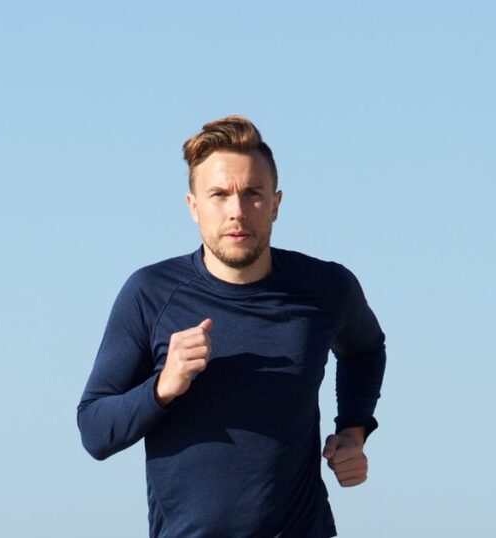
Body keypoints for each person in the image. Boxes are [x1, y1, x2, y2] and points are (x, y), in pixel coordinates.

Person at [77, 115, 386, 537]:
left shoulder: (325, 288)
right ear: (193, 206)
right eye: (219, 195)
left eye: (253, 194)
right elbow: (95, 430)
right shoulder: (150, 294)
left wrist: (353, 430)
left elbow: (365, 349)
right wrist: (162, 387)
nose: (237, 212)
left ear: (276, 203)